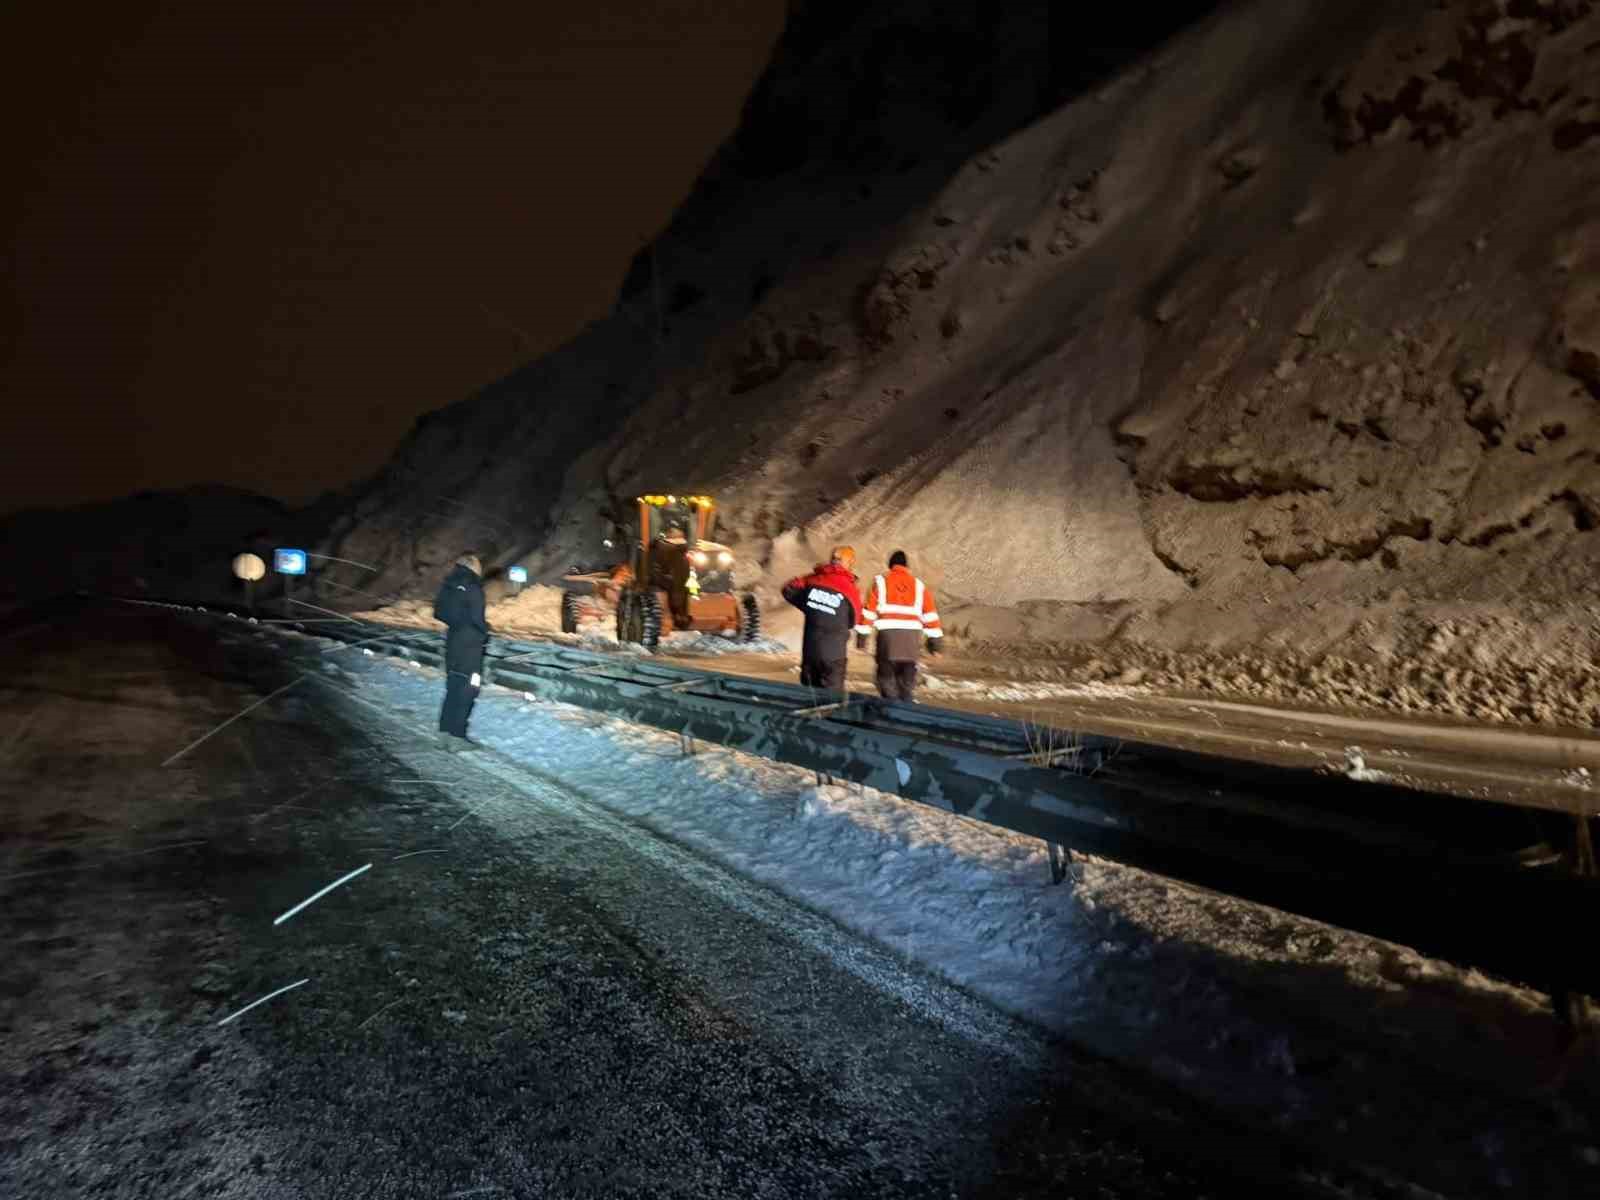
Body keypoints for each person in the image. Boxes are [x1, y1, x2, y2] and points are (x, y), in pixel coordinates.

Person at [781, 545, 868, 692]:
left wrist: (810, 606)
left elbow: (789, 588)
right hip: (834, 656)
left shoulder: (814, 580)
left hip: (810, 653)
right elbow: (855, 619)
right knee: (831, 701)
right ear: (849, 563)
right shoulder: (850, 589)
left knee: (808, 697)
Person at [859, 550, 941, 702]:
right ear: (906, 566)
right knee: (906, 686)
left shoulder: (881, 581)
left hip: (888, 641)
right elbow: (930, 615)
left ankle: (889, 714)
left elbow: (869, 612)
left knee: (886, 682)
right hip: (911, 644)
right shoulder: (918, 585)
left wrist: (861, 639)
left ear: (890, 565)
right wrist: (935, 645)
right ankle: (905, 715)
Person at [433, 552, 488, 748]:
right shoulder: (473, 585)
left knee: (453, 687)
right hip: (470, 646)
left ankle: (444, 734)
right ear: (472, 566)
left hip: (453, 641)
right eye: (479, 565)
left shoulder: (449, 584)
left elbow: (438, 611)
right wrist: (483, 632)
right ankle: (457, 736)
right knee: (469, 688)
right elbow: (477, 618)